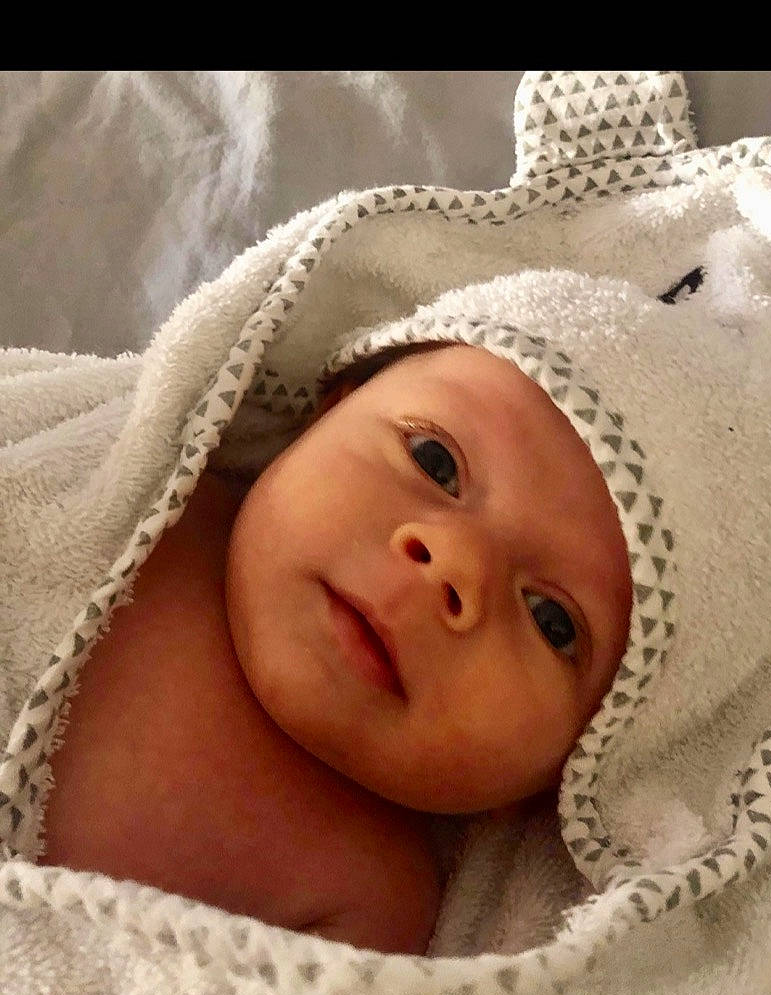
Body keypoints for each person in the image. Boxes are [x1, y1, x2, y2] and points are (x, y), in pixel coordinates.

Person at [40, 341, 634, 955]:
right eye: (434, 461)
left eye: (552, 620)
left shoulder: (373, 904)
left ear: (565, 773)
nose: (456, 564)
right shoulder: (150, 496)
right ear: (324, 417)